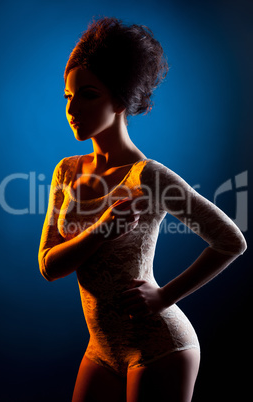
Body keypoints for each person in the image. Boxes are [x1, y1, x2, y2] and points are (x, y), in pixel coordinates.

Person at [38, 17, 247, 402]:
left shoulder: (148, 176)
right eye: (68, 96)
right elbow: (50, 267)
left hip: (160, 346)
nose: (73, 108)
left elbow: (231, 241)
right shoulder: (66, 171)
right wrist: (102, 228)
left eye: (87, 94)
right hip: (100, 348)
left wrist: (165, 297)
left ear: (119, 100)